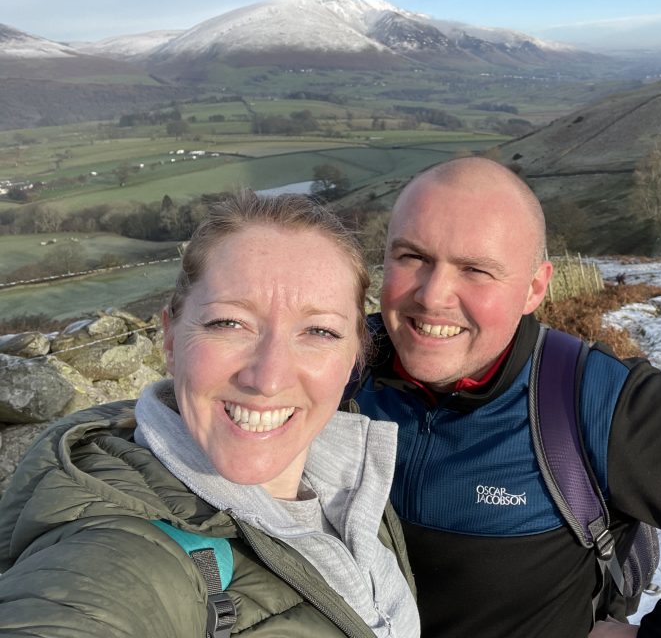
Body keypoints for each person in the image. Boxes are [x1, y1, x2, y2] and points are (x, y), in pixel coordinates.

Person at [353, 157, 661, 638]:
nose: (433, 294)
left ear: (534, 288)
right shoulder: (333, 373)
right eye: (412, 256)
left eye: (476, 270)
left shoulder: (597, 404)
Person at [0, 192, 419, 638]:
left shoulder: (348, 481)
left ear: (355, 357)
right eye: (229, 323)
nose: (268, 377)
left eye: (319, 330)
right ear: (169, 340)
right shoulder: (114, 552)